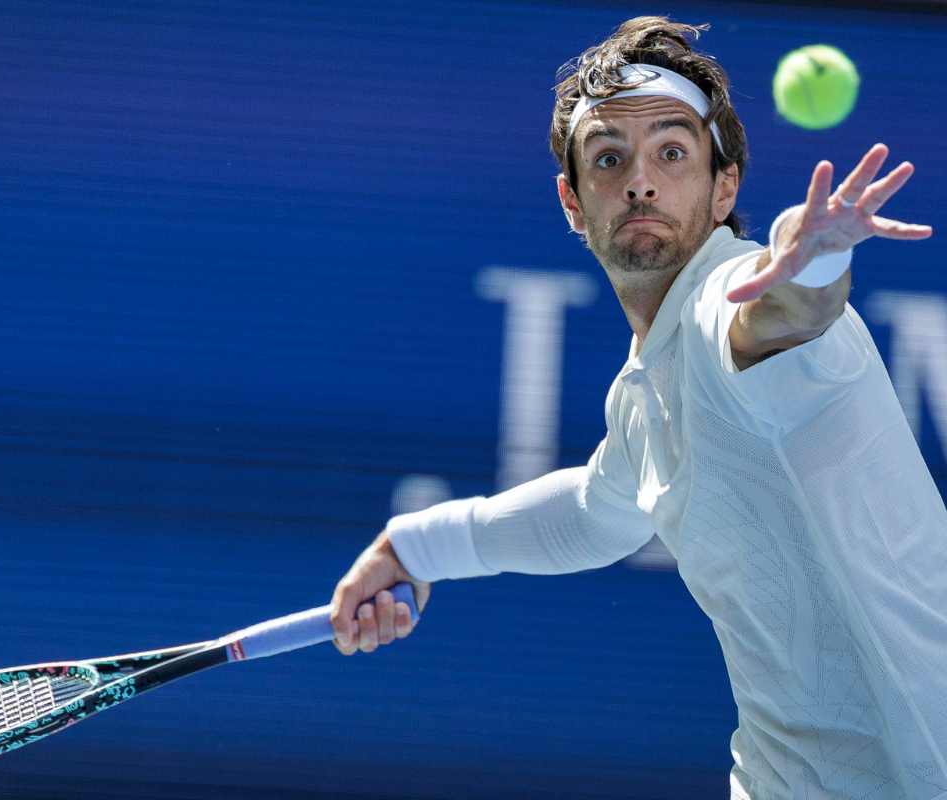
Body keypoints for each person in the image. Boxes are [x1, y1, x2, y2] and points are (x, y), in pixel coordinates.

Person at [328, 16, 941, 800]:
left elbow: (782, 313)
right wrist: (416, 545)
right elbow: (592, 512)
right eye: (609, 158)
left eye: (672, 152)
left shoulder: (733, 291)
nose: (640, 181)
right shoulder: (645, 393)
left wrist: (817, 256)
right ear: (573, 203)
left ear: (726, 187)